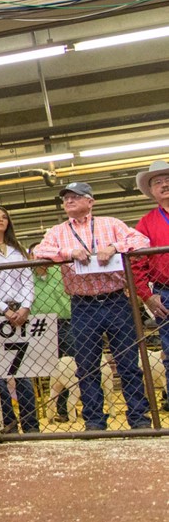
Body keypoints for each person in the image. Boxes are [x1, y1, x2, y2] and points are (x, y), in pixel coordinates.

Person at [33, 182, 152, 430]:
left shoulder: (111, 224)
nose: (69, 201)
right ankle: (95, 422)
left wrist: (114, 247)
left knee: (128, 362)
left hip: (117, 300)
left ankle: (139, 418)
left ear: (90, 201)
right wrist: (69, 252)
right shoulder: (57, 231)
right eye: (66, 199)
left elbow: (142, 241)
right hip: (82, 304)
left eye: (75, 197)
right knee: (86, 366)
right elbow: (39, 252)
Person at [0, 207, 39, 434]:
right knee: (1, 372)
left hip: (21, 314)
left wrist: (24, 307)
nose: (1, 220)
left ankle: (32, 426)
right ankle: (9, 425)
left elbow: (27, 280)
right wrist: (4, 310)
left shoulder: (18, 251)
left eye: (4, 216)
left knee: (23, 371)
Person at [131, 160, 169, 411]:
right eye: (157, 182)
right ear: (152, 191)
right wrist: (147, 295)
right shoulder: (145, 223)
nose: (164, 184)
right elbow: (136, 263)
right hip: (165, 292)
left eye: (167, 179)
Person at [27, 241, 75, 423]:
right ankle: (43, 409)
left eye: (43, 252)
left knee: (70, 366)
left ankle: (65, 409)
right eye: (35, 253)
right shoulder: (26, 276)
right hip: (39, 326)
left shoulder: (60, 270)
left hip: (65, 322)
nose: (39, 256)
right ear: (30, 257)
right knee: (43, 369)